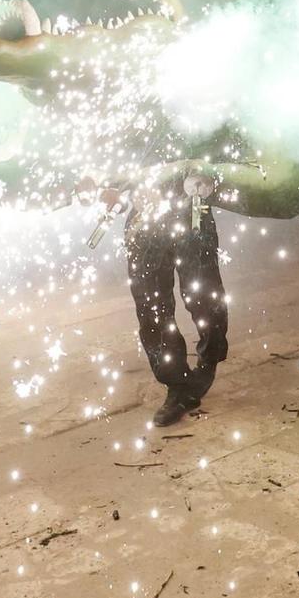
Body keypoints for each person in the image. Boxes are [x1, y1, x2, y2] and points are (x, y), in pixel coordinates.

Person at [112, 172, 229, 426]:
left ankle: (208, 361)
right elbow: (115, 167)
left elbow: (221, 159)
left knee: (203, 298)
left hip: (192, 212)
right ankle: (176, 384)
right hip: (144, 221)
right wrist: (116, 193)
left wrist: (208, 181)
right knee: (151, 306)